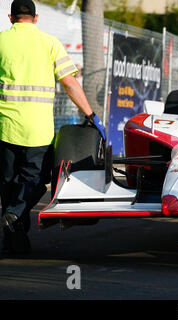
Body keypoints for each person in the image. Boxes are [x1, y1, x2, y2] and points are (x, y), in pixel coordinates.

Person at [0, 0, 106, 255]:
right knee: (34, 182)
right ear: (36, 18)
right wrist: (90, 114)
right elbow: (70, 83)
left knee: (8, 185)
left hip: (4, 129)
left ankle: (14, 235)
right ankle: (15, 220)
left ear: (10, 17)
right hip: (37, 131)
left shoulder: (1, 40)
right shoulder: (50, 43)